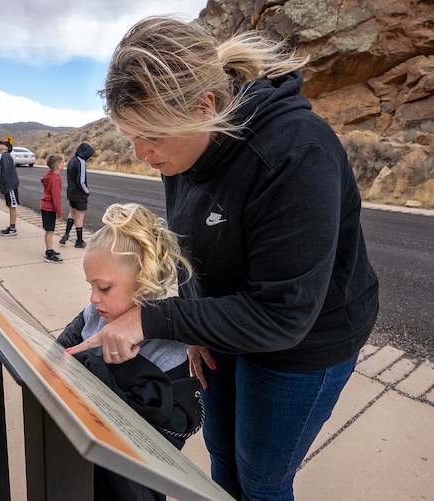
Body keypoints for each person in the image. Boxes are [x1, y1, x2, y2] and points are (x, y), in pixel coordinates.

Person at [66, 15, 379, 500]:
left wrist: (153, 321)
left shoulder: (295, 152)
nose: (140, 153)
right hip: (228, 324)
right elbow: (192, 244)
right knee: (223, 457)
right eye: (131, 137)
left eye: (150, 136)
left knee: (261, 480)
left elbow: (283, 315)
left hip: (305, 341)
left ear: (204, 106)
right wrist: (191, 329)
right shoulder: (181, 150)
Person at [58, 203, 205, 501]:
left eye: (104, 287)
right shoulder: (93, 315)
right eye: (91, 286)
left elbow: (157, 435)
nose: (93, 297)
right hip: (81, 468)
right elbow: (57, 356)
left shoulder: (169, 351)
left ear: (145, 283)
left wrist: (118, 367)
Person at [60, 142, 95, 248]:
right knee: (80, 217)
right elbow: (81, 180)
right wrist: (86, 191)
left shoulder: (72, 160)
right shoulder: (81, 162)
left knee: (72, 213)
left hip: (71, 192)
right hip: (80, 194)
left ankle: (66, 233)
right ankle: (79, 241)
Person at [40, 154, 65, 263]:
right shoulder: (55, 179)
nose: (64, 164)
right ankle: (49, 253)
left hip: (45, 207)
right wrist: (59, 213)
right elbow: (56, 198)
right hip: (49, 208)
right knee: (50, 231)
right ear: (58, 166)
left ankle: (49, 249)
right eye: (62, 162)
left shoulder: (49, 176)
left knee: (49, 230)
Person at [0, 138, 19, 236]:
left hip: (10, 187)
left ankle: (12, 229)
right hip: (9, 186)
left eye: (2, 144)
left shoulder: (5, 156)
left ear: (7, 148)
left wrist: (7, 187)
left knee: (12, 207)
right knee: (11, 206)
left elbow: (7, 173)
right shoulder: (5, 156)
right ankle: (11, 226)